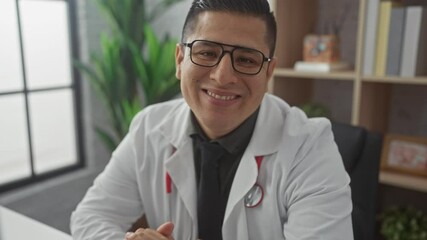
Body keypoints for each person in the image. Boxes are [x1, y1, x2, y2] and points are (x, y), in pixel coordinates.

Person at [70, 0, 354, 239]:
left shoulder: (308, 148)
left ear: (268, 73)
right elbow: (89, 217)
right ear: (180, 60)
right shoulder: (148, 128)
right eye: (207, 52)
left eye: (246, 59)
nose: (223, 76)